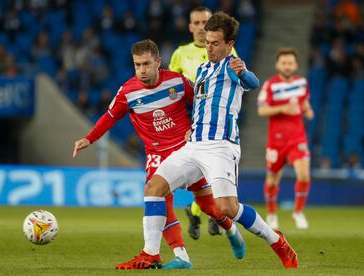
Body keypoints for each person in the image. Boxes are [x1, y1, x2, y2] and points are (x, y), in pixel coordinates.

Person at [117, 12, 298, 269]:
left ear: (229, 44)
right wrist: (193, 127)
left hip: (220, 146)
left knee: (227, 208)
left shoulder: (232, 65)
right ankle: (150, 254)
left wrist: (244, 72)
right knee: (153, 189)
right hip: (194, 145)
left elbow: (252, 82)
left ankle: (276, 240)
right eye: (208, 41)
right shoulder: (202, 69)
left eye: (215, 43)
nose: (209, 47)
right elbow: (200, 103)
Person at [72, 39, 245, 270]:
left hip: (189, 151)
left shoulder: (177, 81)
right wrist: (89, 138)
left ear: (158, 62)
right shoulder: (127, 92)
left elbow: (202, 104)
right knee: (160, 200)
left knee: (209, 207)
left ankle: (232, 230)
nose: (142, 70)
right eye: (137, 65)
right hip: (157, 155)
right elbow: (110, 116)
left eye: (146, 64)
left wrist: (194, 128)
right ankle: (179, 256)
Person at [169, 5, 239, 239]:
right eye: (196, 23)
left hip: (217, 122)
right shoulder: (180, 53)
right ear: (190, 27)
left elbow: (238, 80)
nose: (200, 27)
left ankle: (201, 211)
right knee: (201, 178)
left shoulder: (228, 51)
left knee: (212, 177)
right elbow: (172, 90)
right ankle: (210, 212)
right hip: (191, 123)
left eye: (204, 23)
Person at [257, 48, 314, 230]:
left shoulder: (302, 83)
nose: (287, 66)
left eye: (290, 63)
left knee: (304, 175)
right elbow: (262, 110)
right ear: (278, 65)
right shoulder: (270, 85)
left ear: (295, 65)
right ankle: (272, 214)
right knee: (272, 179)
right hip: (277, 140)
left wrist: (307, 110)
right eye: (284, 63)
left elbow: (303, 102)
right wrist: (282, 109)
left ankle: (298, 212)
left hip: (297, 137)